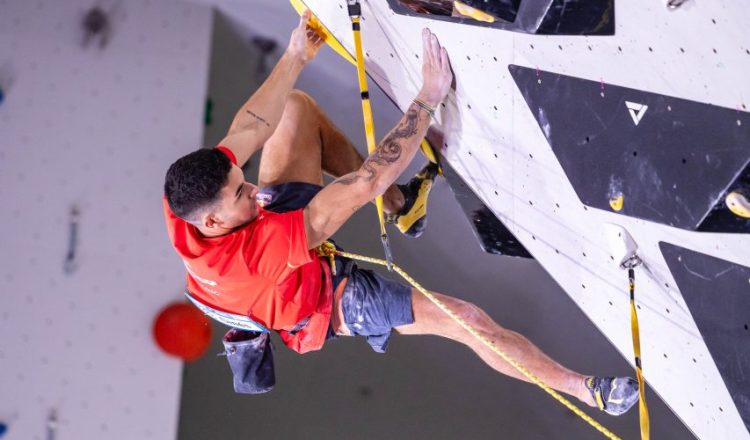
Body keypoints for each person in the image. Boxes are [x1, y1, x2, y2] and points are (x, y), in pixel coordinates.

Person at [162, 10, 638, 416]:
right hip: (322, 302)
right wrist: (429, 97)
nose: (252, 187)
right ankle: (589, 392)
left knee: (293, 110)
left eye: (240, 178)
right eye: (241, 192)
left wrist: (295, 58)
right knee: (464, 317)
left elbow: (250, 126)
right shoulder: (256, 255)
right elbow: (365, 180)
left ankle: (403, 207)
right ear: (213, 222)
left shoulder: (186, 195)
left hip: (264, 250)